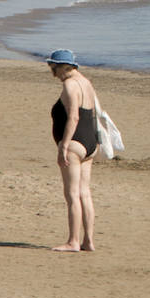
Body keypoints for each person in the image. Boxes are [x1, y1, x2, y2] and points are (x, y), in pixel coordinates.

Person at [46, 49, 98, 252]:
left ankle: (73, 241)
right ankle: (89, 241)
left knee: (72, 194)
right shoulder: (87, 82)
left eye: (54, 68)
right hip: (90, 142)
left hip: (75, 143)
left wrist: (64, 145)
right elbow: (92, 113)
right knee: (85, 193)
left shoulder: (70, 85)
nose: (53, 73)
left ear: (62, 67)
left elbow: (74, 117)